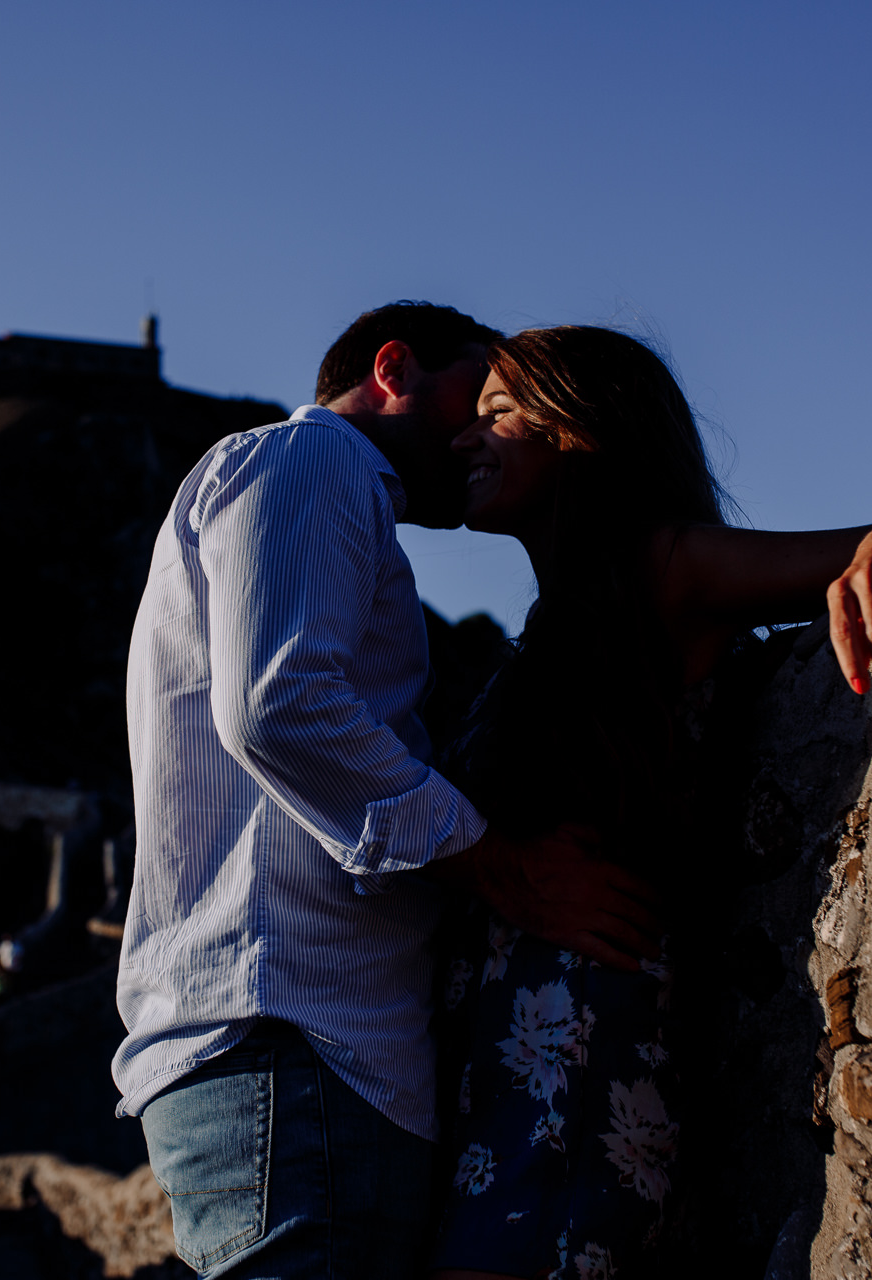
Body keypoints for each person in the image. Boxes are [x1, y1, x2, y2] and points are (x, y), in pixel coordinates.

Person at [113, 303, 663, 1280]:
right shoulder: (312, 461)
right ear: (394, 366)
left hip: (314, 1061)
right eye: (476, 394)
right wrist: (506, 871)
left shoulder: (331, 500)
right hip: (296, 1041)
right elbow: (281, 705)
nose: (471, 433)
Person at [427, 325, 872, 1280]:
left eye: (499, 414)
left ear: (579, 430)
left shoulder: (663, 565)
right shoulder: (552, 628)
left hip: (577, 1072)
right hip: (504, 1079)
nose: (466, 441)